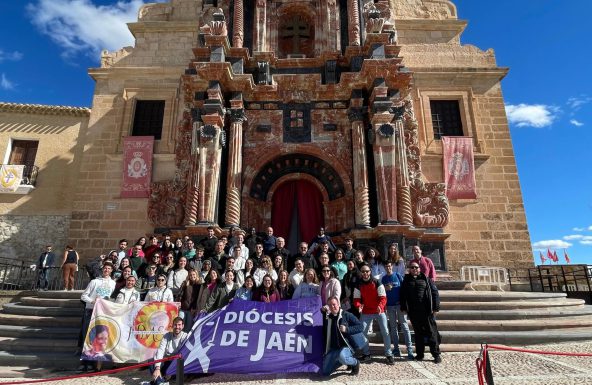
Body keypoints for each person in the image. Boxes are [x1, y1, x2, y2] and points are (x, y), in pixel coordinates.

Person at [400, 261, 442, 363]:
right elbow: (403, 295)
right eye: (412, 267)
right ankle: (419, 354)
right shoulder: (406, 281)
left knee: (431, 332)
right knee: (418, 334)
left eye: (416, 267)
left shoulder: (426, 279)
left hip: (426, 311)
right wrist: (403, 307)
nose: (415, 269)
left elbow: (434, 293)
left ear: (419, 269)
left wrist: (436, 308)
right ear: (409, 269)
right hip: (414, 312)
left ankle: (436, 354)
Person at [353, 263, 394, 364]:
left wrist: (380, 306)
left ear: (370, 272)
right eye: (363, 272)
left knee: (385, 332)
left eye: (367, 271)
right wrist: (359, 306)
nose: (365, 273)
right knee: (363, 333)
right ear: (361, 273)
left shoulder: (377, 282)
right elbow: (356, 299)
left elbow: (383, 297)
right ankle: (366, 354)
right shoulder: (358, 284)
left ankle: (388, 354)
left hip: (379, 311)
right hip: (366, 311)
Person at [78, 262, 115, 371]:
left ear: (111, 270)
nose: (107, 270)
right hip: (91, 311)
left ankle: (94, 363)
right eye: (105, 268)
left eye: (109, 268)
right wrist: (92, 301)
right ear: (102, 269)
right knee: (88, 337)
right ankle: (85, 363)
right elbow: (83, 296)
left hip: (103, 313)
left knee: (98, 338)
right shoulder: (94, 281)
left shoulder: (113, 283)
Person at [322, 296, 367, 376]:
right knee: (325, 372)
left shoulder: (347, 315)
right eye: (330, 305)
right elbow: (323, 318)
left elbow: (361, 327)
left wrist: (347, 329)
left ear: (338, 304)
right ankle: (344, 361)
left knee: (342, 356)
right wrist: (322, 311)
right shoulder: (329, 318)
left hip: (347, 347)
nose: (333, 307)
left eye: (334, 304)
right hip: (334, 348)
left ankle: (355, 363)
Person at [382, 261, 413, 359]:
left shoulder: (398, 275)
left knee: (404, 326)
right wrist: (385, 289)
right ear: (384, 268)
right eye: (386, 266)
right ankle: (396, 348)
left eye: (389, 266)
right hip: (390, 306)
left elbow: (404, 289)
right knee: (393, 328)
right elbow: (381, 292)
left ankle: (409, 349)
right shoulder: (383, 279)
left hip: (400, 305)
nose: (388, 268)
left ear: (392, 267)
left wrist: (405, 304)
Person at [151, 317, 188, 385]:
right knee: (151, 361)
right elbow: (160, 351)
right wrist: (157, 368)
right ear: (172, 326)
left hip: (177, 363)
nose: (177, 327)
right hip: (167, 361)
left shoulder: (185, 336)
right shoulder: (166, 336)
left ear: (183, 326)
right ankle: (159, 380)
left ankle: (161, 379)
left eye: (179, 325)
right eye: (175, 325)